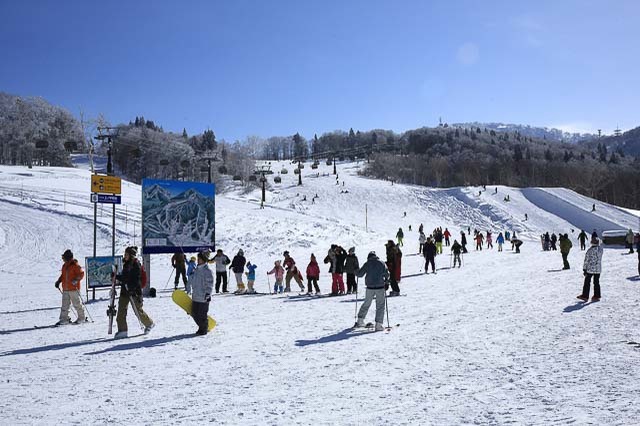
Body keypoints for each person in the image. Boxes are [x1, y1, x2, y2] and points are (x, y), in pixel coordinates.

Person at [115, 246, 154, 338]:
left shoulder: (136, 264)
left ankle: (149, 323)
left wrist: (131, 288)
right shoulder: (125, 264)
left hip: (134, 292)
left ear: (131, 255)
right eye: (125, 254)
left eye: (126, 254)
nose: (125, 256)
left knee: (137, 310)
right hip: (125, 291)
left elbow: (136, 279)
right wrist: (116, 276)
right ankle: (122, 330)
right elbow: (124, 277)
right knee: (121, 310)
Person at [354, 251, 390, 331]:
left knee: (366, 303)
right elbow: (387, 274)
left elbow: (360, 274)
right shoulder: (381, 263)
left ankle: (360, 320)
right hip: (380, 287)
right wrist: (387, 283)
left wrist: (356, 271)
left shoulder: (367, 263)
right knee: (380, 305)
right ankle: (378, 324)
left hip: (369, 287)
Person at [54, 249, 86, 325]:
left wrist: (76, 280)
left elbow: (81, 274)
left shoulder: (75, 265)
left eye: (64, 257)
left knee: (76, 304)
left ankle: (82, 318)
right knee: (65, 305)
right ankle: (64, 319)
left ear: (68, 258)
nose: (63, 259)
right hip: (65, 288)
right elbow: (63, 276)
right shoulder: (64, 266)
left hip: (73, 289)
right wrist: (58, 281)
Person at [190, 250, 214, 335]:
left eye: (199, 259)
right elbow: (194, 282)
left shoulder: (207, 271)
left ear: (203, 260)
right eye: (197, 259)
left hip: (203, 297)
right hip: (196, 296)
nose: (197, 260)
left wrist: (208, 293)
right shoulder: (196, 270)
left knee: (202, 315)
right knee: (194, 313)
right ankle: (201, 327)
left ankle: (203, 328)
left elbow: (210, 283)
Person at [577, 236, 604, 302]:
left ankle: (585, 296)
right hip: (598, 269)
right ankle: (597, 296)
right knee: (596, 282)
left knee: (587, 282)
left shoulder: (590, 250)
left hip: (590, 269)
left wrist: (584, 269)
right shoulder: (600, 250)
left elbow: (586, 260)